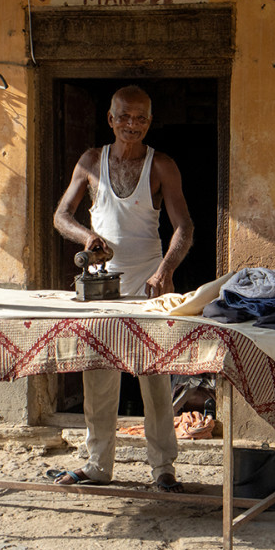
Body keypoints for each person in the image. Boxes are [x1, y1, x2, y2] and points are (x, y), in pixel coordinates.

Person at [52, 85, 194, 492]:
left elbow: (184, 227)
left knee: (156, 378)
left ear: (150, 122)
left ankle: (163, 468)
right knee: (98, 375)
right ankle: (98, 465)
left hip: (151, 283)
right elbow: (61, 215)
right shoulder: (91, 162)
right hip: (102, 286)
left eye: (141, 118)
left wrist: (164, 272)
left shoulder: (162, 165)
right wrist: (86, 237)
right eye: (125, 117)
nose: (132, 125)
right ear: (111, 119)